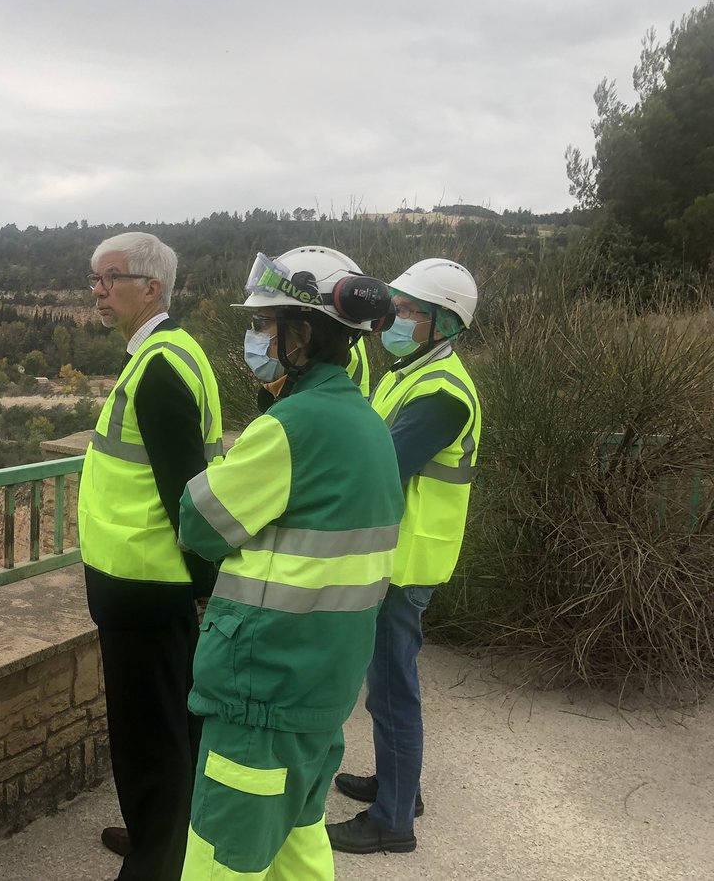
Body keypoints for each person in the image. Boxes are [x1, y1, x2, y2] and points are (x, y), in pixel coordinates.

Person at [177, 248, 404, 880]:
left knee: (222, 859)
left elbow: (198, 522)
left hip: (263, 688)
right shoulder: (368, 425)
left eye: (264, 324)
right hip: (322, 687)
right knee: (297, 847)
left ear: (300, 336)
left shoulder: (291, 426)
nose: (256, 338)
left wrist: (238, 452)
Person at [76, 231, 223, 880]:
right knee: (168, 733)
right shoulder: (170, 352)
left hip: (147, 589)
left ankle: (155, 863)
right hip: (144, 589)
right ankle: (156, 839)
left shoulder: (160, 366)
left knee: (148, 744)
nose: (97, 290)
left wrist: (199, 584)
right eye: (94, 279)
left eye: (109, 278)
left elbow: (184, 493)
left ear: (150, 287)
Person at [326, 258, 481, 856]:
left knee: (392, 687)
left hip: (406, 561)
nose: (392, 319)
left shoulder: (442, 394)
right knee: (386, 680)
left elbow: (380, 468)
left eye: (407, 311)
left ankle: (393, 819)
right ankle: (399, 784)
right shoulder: (408, 371)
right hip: (395, 554)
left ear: (443, 324)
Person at [248, 247, 373, 409]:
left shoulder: (283, 425)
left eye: (262, 322)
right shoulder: (370, 419)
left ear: (303, 333)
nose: (256, 332)